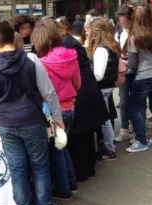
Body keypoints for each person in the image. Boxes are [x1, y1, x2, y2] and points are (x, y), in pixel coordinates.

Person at [0, 20, 64, 205]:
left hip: (7, 125)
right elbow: (49, 92)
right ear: (14, 38)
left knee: (17, 169)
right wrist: (58, 118)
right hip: (32, 121)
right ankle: (45, 204)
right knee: (40, 166)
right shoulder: (32, 60)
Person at [40, 18, 109, 181]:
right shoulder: (69, 40)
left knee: (77, 136)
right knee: (85, 134)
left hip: (78, 91)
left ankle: (80, 172)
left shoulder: (63, 45)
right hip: (86, 87)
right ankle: (87, 168)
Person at [31, 22, 80, 200]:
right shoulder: (71, 56)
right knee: (63, 146)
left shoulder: (41, 63)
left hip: (53, 112)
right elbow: (78, 83)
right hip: (70, 107)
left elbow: (43, 92)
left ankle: (64, 189)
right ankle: (72, 182)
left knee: (56, 150)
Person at [125, 6, 152, 153]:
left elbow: (132, 64)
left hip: (143, 76)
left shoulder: (134, 36)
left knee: (134, 107)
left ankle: (141, 140)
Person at [87, 18, 121, 160]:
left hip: (101, 88)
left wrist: (87, 80)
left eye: (89, 30)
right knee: (105, 120)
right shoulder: (110, 45)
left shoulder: (101, 49)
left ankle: (109, 149)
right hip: (107, 86)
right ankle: (108, 147)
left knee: (103, 121)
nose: (87, 33)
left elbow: (98, 75)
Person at [115, 5, 135, 142]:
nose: (123, 25)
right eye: (121, 22)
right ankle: (124, 128)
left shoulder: (137, 32)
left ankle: (136, 124)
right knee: (123, 100)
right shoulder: (119, 33)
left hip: (136, 70)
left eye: (125, 22)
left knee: (136, 100)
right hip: (123, 71)